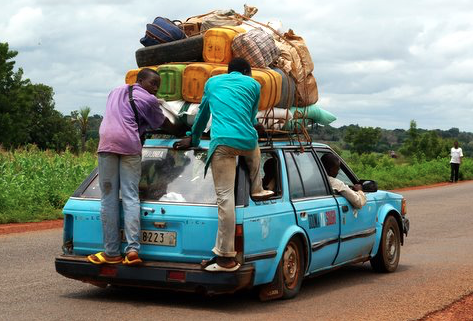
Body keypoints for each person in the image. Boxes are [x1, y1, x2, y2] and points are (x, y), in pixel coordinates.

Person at [174, 58, 274, 272]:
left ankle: (226, 257)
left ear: (228, 71)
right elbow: (250, 114)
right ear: (247, 72)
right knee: (254, 147)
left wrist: (193, 138)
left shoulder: (212, 82)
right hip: (248, 141)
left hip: (223, 143)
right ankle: (257, 188)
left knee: (225, 198)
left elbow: (202, 114)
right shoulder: (255, 84)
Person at [88, 68, 178, 266]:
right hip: (129, 145)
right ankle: (132, 251)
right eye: (152, 83)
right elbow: (162, 123)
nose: (155, 89)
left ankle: (111, 253)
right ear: (140, 81)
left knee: (108, 199)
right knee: (130, 196)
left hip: (106, 144)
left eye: (157, 86)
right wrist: (181, 129)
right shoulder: (150, 100)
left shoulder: (116, 91)